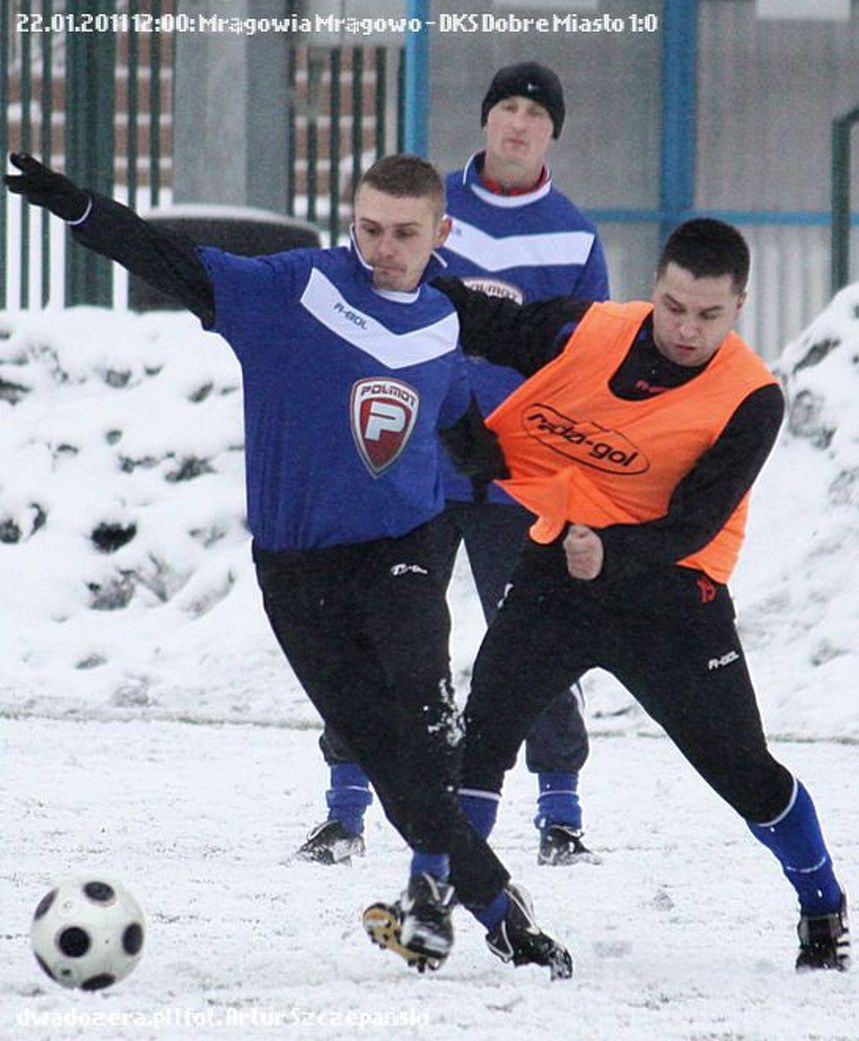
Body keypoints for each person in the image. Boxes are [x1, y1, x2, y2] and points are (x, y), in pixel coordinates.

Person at [5, 151, 572, 979]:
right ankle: (475, 896)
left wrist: (500, 463)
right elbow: (166, 259)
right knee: (395, 771)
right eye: (368, 227)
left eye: (404, 233)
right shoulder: (293, 289)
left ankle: (494, 917)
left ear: (440, 233)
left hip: (403, 550)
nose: (383, 247)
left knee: (419, 730)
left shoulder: (446, 316)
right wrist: (75, 203)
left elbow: (452, 411)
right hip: (297, 571)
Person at [431, 217, 850, 971]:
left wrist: (612, 549)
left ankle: (821, 902)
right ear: (653, 288)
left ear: (740, 306)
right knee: (482, 733)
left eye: (708, 314)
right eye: (673, 305)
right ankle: (432, 901)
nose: (685, 328)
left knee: (744, 773)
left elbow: (697, 519)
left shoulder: (752, 396)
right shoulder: (588, 329)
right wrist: (404, 284)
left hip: (671, 598)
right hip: (557, 576)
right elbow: (492, 322)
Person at [298, 61, 610, 870]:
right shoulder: (422, 209)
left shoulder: (574, 233)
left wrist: (568, 472)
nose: (516, 122)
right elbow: (363, 308)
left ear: (552, 132)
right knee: (379, 637)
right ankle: (344, 807)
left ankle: (560, 812)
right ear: (483, 118)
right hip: (414, 464)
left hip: (522, 476)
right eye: (504, 105)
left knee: (535, 639)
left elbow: (588, 360)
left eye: (534, 113)